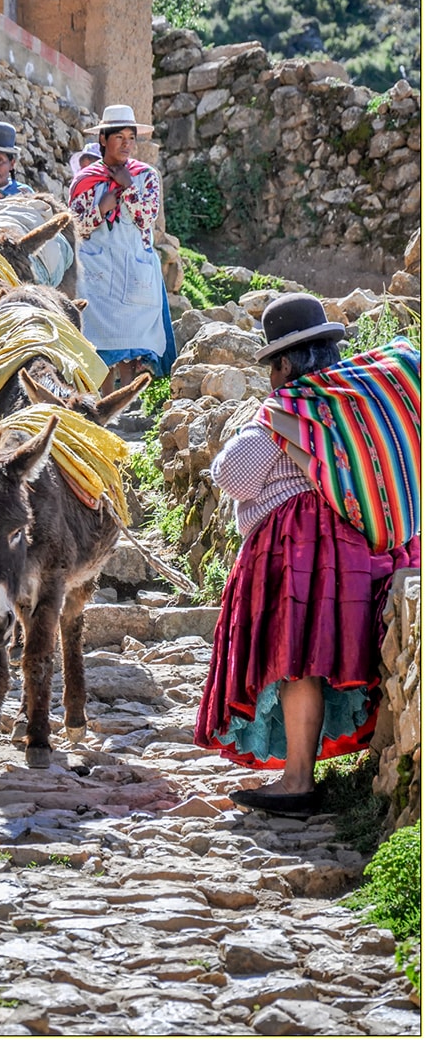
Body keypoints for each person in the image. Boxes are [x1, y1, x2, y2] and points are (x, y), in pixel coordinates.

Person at [194, 293, 421, 817]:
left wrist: (256, 426)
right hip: (367, 548)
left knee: (299, 661)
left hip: (302, 551)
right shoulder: (354, 401)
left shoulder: (287, 409)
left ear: (284, 363)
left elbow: (234, 475)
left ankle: (297, 781)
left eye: (274, 364)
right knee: (326, 657)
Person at [68, 104, 175, 395]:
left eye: (131, 137)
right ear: (103, 139)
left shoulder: (146, 177)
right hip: (96, 272)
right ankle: (103, 401)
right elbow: (76, 226)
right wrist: (99, 209)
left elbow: (146, 219)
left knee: (130, 339)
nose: (127, 144)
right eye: (120, 137)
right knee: (99, 340)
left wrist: (127, 188)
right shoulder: (84, 181)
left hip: (133, 268)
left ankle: (125, 399)